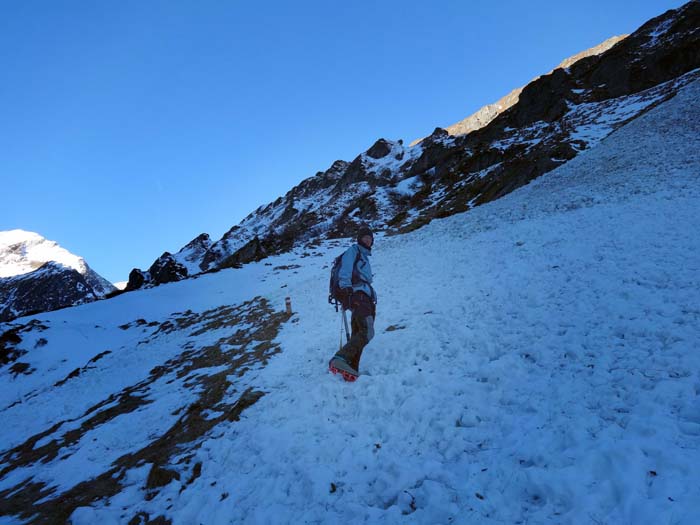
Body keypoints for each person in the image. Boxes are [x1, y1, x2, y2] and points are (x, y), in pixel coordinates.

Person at [329, 226, 377, 379]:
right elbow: (345, 270)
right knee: (367, 331)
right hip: (358, 296)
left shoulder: (364, 256)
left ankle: (350, 367)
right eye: (365, 237)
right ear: (359, 239)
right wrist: (346, 290)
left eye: (370, 238)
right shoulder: (354, 251)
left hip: (363, 296)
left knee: (359, 332)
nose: (368, 240)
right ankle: (340, 358)